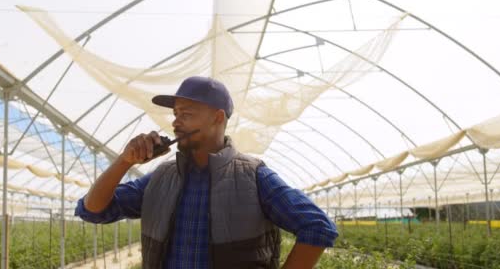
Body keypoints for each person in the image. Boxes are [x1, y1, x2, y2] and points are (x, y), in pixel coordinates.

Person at [76, 76, 338, 268]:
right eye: (175, 113)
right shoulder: (160, 178)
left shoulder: (254, 177)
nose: (176, 122)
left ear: (217, 118)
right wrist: (124, 161)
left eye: (186, 114)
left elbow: (317, 227)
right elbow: (94, 210)